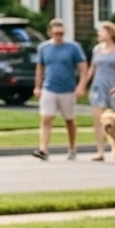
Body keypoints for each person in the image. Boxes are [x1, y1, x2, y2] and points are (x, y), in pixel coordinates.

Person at [32, 18, 86, 160]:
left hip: (67, 89)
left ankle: (72, 147)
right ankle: (43, 149)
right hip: (49, 87)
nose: (59, 36)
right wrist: (37, 86)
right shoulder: (44, 48)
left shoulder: (73, 48)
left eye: (61, 33)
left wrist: (81, 85)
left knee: (69, 119)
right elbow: (40, 68)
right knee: (46, 118)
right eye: (56, 33)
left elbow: (82, 67)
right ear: (50, 32)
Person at [88, 20, 115, 162]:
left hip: (113, 86)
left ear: (110, 33)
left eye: (101, 31)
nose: (98, 34)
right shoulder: (97, 49)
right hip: (98, 86)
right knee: (99, 120)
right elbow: (92, 68)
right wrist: (82, 84)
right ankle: (100, 151)